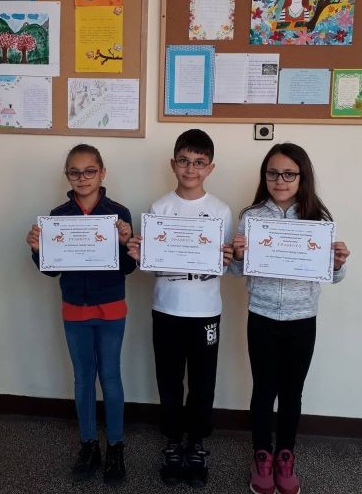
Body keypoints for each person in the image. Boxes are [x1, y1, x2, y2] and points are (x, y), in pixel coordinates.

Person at [229, 143, 350, 494]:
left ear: (302, 177)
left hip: (302, 319)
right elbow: (237, 271)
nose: (280, 180)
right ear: (264, 176)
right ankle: (262, 456)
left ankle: (285, 455)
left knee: (292, 392)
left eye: (288, 174)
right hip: (262, 315)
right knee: (263, 389)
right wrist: (238, 256)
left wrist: (338, 264)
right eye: (272, 173)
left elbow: (333, 276)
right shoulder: (251, 217)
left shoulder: (317, 220)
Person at [126, 129, 233, 487]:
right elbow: (152, 265)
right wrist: (140, 256)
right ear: (173, 164)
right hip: (167, 307)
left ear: (210, 168)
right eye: (184, 161)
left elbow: (224, 263)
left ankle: (197, 442)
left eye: (199, 163)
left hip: (205, 310)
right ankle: (173, 442)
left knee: (203, 382)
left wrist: (229, 258)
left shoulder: (220, 211)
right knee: (169, 378)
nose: (191, 169)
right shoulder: (159, 208)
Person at [25, 144, 136, 484]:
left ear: (102, 173)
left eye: (90, 171)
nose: (82, 178)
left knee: (111, 377)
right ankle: (89, 445)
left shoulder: (118, 214)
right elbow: (51, 270)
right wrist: (38, 250)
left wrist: (126, 242)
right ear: (67, 176)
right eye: (75, 172)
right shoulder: (58, 216)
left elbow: (128, 267)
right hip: (74, 307)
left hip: (111, 307)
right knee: (83, 378)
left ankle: (115, 447)